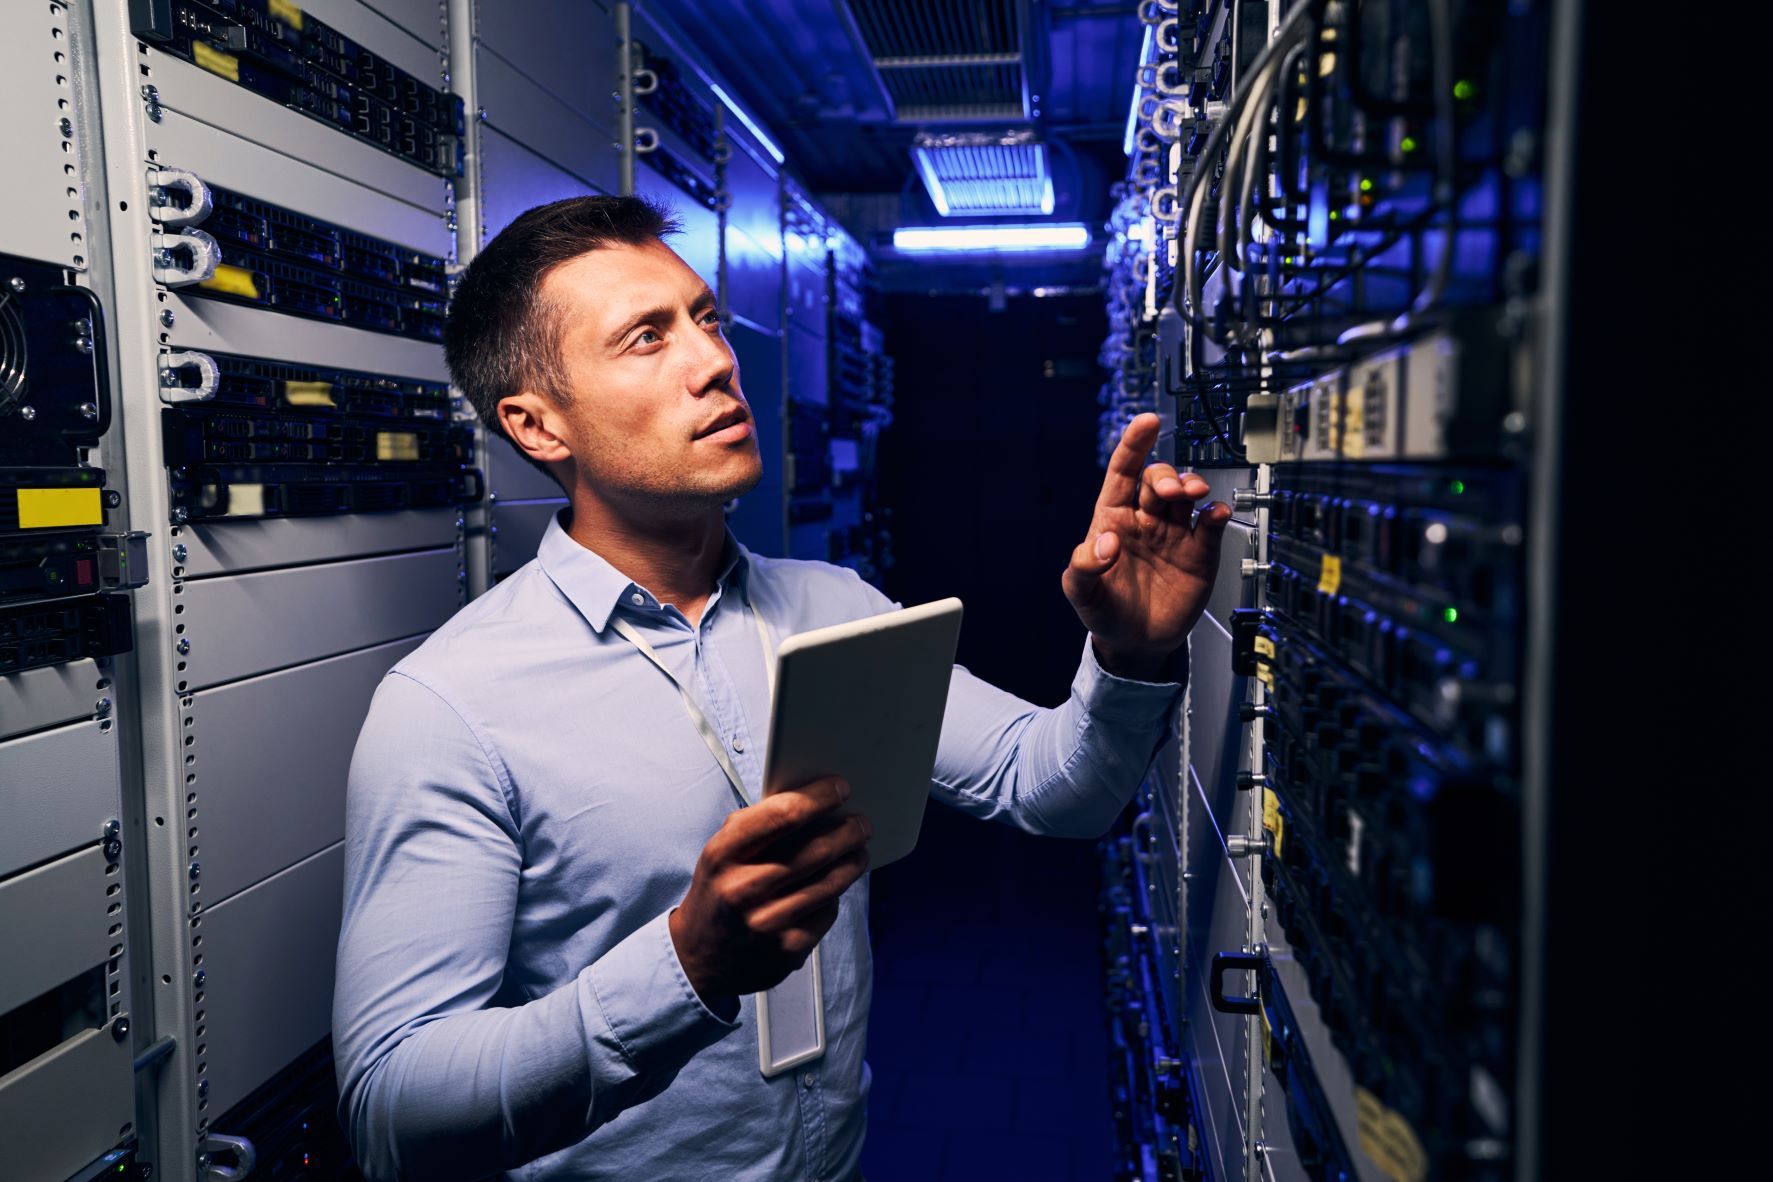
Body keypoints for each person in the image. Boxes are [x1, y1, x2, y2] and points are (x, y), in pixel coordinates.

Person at [332, 195, 1231, 1181]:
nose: (716, 361)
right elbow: (391, 1113)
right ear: (538, 425)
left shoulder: (834, 606)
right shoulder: (451, 706)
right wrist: (685, 966)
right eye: (645, 338)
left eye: (705, 318)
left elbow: (1057, 789)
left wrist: (1131, 654)